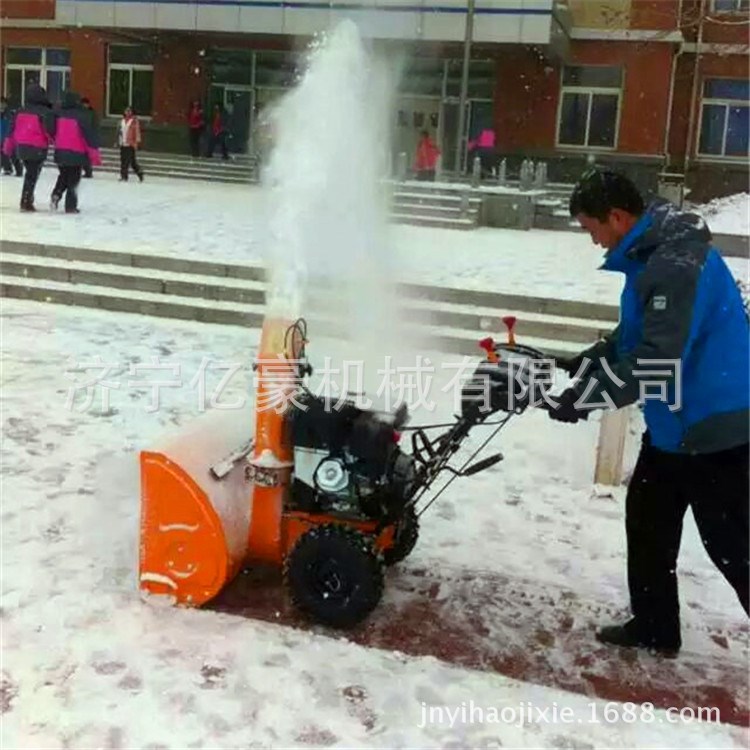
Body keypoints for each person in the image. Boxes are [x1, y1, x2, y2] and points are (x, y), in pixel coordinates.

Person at [547, 168, 749, 656]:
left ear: (616, 217)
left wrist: (587, 397)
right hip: (673, 428)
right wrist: (593, 358)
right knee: (648, 524)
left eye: (589, 226)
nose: (590, 239)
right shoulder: (652, 255)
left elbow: (657, 361)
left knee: (733, 548)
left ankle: (657, 624)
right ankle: (656, 627)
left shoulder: (677, 264)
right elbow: (640, 333)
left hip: (712, 427)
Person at [2, 83, 54, 211]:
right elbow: (48, 130)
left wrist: (8, 147)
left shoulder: (20, 111)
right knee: (32, 173)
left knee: (30, 173)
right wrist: (52, 139)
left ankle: (27, 198)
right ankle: (26, 200)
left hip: (22, 147)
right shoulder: (44, 112)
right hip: (38, 147)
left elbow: (11, 130)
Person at [50, 91, 101, 214]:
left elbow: (51, 128)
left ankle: (56, 194)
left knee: (63, 175)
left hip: (61, 151)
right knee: (73, 180)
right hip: (76, 153)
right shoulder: (81, 116)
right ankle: (70, 206)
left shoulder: (58, 114)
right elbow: (88, 136)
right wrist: (94, 152)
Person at [117, 106, 144, 182]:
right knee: (124, 160)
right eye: (126, 111)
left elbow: (137, 133)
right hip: (123, 143)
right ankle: (125, 175)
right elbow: (119, 132)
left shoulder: (134, 121)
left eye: (129, 111)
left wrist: (137, 143)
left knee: (128, 161)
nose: (128, 112)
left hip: (130, 144)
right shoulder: (121, 121)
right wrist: (117, 141)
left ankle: (126, 176)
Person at [0, 97, 23, 177]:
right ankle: (7, 168)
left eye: (3, 104)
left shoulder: (9, 114)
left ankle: (19, 170)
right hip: (1, 137)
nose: (1, 106)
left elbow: (12, 125)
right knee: (3, 154)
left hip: (9, 137)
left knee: (13, 154)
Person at [80, 97, 98, 178]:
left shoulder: (91, 113)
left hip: (88, 137)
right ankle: (86, 170)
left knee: (86, 156)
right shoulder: (79, 112)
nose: (84, 105)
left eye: (85, 104)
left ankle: (88, 171)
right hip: (80, 136)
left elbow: (95, 125)